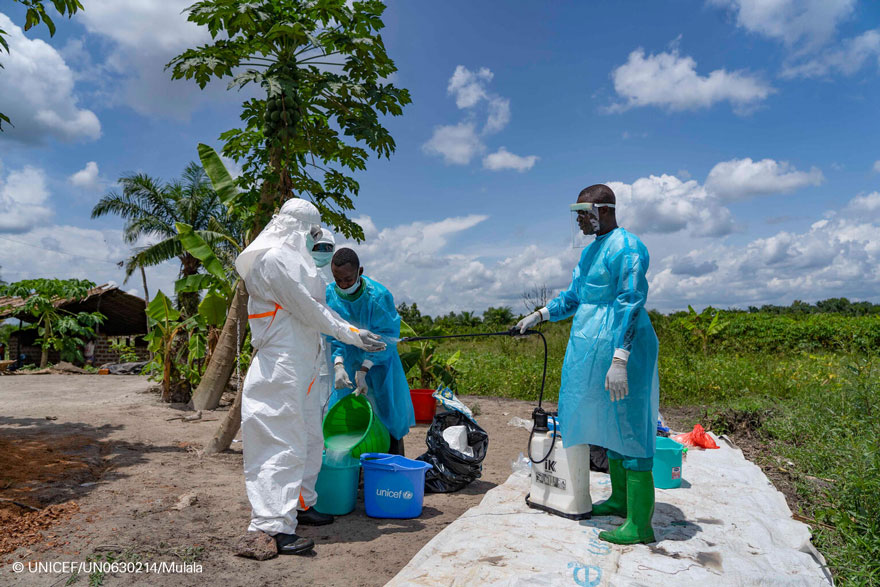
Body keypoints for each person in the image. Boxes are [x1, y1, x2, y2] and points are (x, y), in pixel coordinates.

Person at [235, 199, 386, 556]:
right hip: (281, 368)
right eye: (313, 233)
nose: (316, 240)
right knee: (280, 442)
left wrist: (350, 334)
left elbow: (316, 308)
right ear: (299, 228)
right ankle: (271, 525)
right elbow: (310, 309)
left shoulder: (293, 262)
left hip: (303, 363)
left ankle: (300, 504)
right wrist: (352, 333)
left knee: (309, 437)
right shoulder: (272, 260)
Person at [515, 184, 659, 545]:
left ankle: (640, 525)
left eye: (583, 212)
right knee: (607, 420)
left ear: (604, 210)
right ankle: (619, 499)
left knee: (630, 424)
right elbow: (576, 298)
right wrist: (543, 314)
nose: (578, 219)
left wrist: (621, 358)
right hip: (588, 349)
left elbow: (630, 301)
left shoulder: (627, 248)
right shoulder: (592, 251)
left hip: (622, 349)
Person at [325, 247, 415, 456]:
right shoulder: (330, 295)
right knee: (347, 411)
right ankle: (354, 472)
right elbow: (333, 334)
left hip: (380, 365)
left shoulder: (379, 297)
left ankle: (392, 464)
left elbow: (386, 339)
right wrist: (338, 364)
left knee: (387, 412)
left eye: (348, 279)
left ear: (360, 271)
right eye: (338, 280)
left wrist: (365, 369)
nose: (343, 285)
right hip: (348, 362)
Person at [310, 229, 337, 415]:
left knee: (330, 387)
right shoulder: (303, 271)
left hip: (334, 340)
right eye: (319, 246)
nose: (322, 251)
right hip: (309, 338)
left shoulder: (338, 273)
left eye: (328, 247)